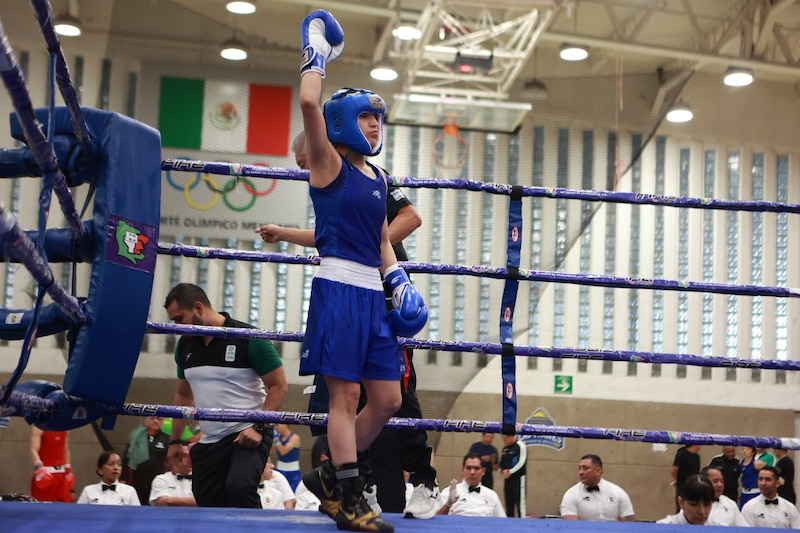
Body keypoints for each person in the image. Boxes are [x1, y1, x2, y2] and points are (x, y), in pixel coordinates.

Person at [292, 10, 429, 531]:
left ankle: (330, 473)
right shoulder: (328, 163)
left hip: (373, 293)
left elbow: (379, 237)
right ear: (345, 121)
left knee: (389, 399)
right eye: (367, 116)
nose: (375, 124)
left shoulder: (377, 175)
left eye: (379, 117)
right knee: (346, 397)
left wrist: (396, 277)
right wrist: (315, 55)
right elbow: (309, 101)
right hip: (339, 290)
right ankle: (350, 498)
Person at [258, 130, 436, 519]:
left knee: (396, 393)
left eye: (303, 162)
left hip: (382, 290)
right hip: (348, 290)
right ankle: (353, 482)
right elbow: (330, 237)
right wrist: (285, 232)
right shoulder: (335, 181)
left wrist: (385, 262)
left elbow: (410, 217)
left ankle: (423, 479)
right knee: (343, 397)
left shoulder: (374, 175)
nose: (304, 170)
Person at [164, 283, 288, 508]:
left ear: (198, 308)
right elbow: (183, 395)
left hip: (247, 433)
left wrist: (258, 427)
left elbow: (279, 386)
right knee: (207, 501)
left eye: (179, 319)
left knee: (239, 488)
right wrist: (175, 441)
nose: (176, 327)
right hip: (209, 440)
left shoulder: (248, 337)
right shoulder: (184, 346)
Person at [559, 454, 634, 521]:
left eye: (585, 468)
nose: (581, 472)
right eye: (579, 468)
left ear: (598, 471)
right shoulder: (571, 494)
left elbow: (628, 525)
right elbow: (571, 527)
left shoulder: (618, 492)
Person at [436, 454, 505, 517]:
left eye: (476, 468)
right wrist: (448, 504)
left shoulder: (492, 495)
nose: (472, 472)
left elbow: (503, 523)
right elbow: (435, 521)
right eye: (468, 468)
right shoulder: (448, 492)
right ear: (463, 470)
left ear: (483, 471)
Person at [122, 415, 170, 505]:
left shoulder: (167, 439)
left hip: (158, 484)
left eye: (159, 418)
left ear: (163, 422)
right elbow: (126, 459)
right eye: (152, 418)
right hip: (136, 482)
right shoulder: (136, 437)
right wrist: (122, 480)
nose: (155, 421)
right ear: (145, 421)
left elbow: (170, 462)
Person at [76, 451, 140, 506]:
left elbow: (138, 516)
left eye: (119, 464)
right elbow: (79, 515)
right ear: (100, 470)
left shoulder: (130, 491)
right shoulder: (88, 491)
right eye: (111, 464)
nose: (116, 468)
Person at [30, 427, 74, 503]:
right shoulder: (39, 426)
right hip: (45, 473)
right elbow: (33, 450)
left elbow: (65, 450)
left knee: (65, 506)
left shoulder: (65, 427)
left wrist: (68, 469)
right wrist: (39, 469)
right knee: (41, 506)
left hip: (61, 475)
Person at [149, 440, 196, 506]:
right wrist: (194, 502)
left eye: (190, 456)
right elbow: (161, 502)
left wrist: (170, 500)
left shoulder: (203, 479)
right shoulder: (161, 479)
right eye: (184, 455)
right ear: (175, 457)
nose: (189, 459)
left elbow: (206, 502)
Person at [500, 429, 527, 518]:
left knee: (520, 506)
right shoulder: (505, 448)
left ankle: (522, 526)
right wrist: (503, 471)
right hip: (507, 481)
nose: (504, 441)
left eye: (505, 439)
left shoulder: (520, 446)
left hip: (518, 480)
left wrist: (510, 472)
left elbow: (521, 463)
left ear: (511, 437)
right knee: (509, 505)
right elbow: (502, 464)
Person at [671, 444, 700, 512]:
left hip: (694, 485)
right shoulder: (682, 454)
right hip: (683, 486)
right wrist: (678, 479)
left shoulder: (696, 457)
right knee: (681, 507)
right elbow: (674, 470)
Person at [274, 423, 302, 492]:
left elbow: (283, 451)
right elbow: (271, 449)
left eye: (278, 425)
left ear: (285, 424)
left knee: (293, 495)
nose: (276, 427)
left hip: (292, 473)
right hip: (280, 471)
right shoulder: (279, 438)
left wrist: (275, 439)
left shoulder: (295, 438)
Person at [739, 445, 760, 509]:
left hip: (754, 493)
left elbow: (769, 471)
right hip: (744, 493)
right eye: (743, 449)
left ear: (753, 452)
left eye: (747, 449)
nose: (744, 451)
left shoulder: (756, 463)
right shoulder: (741, 462)